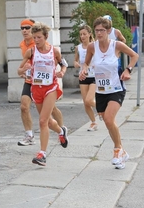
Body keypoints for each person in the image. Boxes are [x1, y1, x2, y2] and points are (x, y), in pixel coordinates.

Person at [79, 17, 138, 169]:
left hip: (116, 89)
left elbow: (134, 56)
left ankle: (117, 150)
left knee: (110, 119)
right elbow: (86, 62)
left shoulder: (116, 45)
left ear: (108, 31)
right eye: (97, 30)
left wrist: (128, 69)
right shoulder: (92, 47)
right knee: (107, 121)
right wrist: (84, 70)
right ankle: (122, 151)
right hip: (101, 90)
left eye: (102, 30)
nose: (99, 33)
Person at [17, 22, 69, 166]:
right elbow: (19, 70)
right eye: (35, 37)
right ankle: (60, 131)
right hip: (36, 89)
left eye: (39, 37)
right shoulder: (31, 52)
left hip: (50, 88)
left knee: (42, 121)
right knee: (49, 122)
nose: (37, 40)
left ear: (46, 36)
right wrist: (24, 69)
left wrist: (62, 72)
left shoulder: (54, 51)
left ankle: (42, 154)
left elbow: (64, 64)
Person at [74, 24, 97, 131]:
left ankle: (102, 109)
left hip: (94, 76)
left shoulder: (95, 46)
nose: (82, 36)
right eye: (81, 34)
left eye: (84, 34)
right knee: (85, 103)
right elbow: (75, 61)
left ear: (89, 34)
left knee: (89, 100)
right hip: (83, 76)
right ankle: (93, 122)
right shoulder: (78, 48)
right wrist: (77, 64)